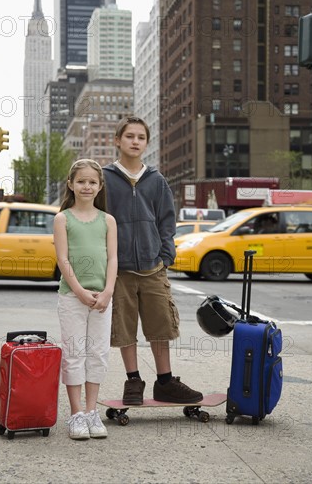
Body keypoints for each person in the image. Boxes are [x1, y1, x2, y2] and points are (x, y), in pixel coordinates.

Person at [103, 116, 203, 406]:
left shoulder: (156, 180)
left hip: (153, 268)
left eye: (141, 137)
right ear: (117, 140)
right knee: (124, 327)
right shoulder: (106, 178)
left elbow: (167, 222)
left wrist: (165, 256)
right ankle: (133, 380)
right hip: (118, 270)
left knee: (161, 325)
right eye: (129, 136)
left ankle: (165, 382)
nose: (135, 141)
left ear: (147, 143)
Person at [54, 159, 117, 440]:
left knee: (98, 354)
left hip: (103, 299)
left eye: (92, 182)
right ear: (71, 184)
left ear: (100, 186)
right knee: (75, 354)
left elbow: (114, 258)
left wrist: (108, 292)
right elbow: (63, 259)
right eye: (81, 181)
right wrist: (79, 291)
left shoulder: (108, 220)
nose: (87, 186)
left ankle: (92, 412)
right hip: (72, 297)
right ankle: (76, 414)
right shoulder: (63, 219)